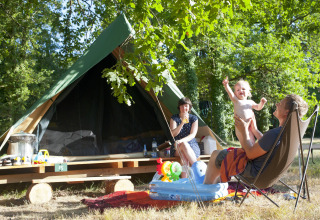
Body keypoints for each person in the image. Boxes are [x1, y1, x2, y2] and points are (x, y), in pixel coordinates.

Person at [204, 94, 308, 184]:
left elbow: (250, 153)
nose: (277, 104)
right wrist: (254, 130)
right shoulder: (287, 133)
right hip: (269, 176)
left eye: (280, 104)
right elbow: (268, 145)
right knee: (225, 155)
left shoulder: (274, 134)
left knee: (216, 154)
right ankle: (217, 186)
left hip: (254, 175)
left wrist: (244, 131)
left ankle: (207, 189)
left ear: (286, 112)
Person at [222, 76, 267, 145]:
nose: (241, 91)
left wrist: (262, 103)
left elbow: (258, 107)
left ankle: (266, 144)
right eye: (238, 90)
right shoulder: (236, 101)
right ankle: (247, 152)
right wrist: (226, 85)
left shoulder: (250, 102)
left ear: (248, 92)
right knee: (246, 143)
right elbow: (229, 92)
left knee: (252, 141)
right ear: (235, 94)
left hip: (250, 125)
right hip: (240, 127)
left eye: (243, 89)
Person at [170, 97, 200, 178]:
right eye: (182, 106)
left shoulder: (194, 118)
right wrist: (182, 123)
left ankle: (184, 179)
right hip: (177, 147)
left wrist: (181, 141)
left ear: (189, 107)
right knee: (183, 146)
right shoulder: (174, 118)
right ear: (179, 107)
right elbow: (173, 134)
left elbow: (193, 135)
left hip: (191, 145)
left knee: (184, 151)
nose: (184, 108)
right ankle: (198, 170)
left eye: (186, 106)